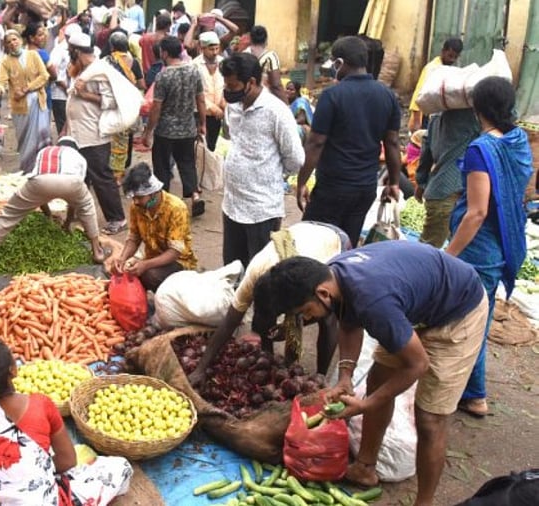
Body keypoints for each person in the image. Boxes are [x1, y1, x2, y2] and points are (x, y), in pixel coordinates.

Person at [254, 241, 488, 505]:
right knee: (378, 381)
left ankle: (424, 502)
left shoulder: (373, 300)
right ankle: (365, 468)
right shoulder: (334, 278)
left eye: (305, 312)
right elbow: (349, 324)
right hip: (415, 306)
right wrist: (345, 376)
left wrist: (366, 404)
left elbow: (418, 365)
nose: (307, 320)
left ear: (322, 293)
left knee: (429, 419)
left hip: (458, 313)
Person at [445, 77, 533, 418]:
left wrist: (448, 254)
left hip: (478, 249)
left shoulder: (482, 150)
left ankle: (474, 393)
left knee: (469, 321)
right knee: (479, 315)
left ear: (477, 108)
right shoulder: (518, 140)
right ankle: (469, 388)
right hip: (502, 242)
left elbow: (477, 212)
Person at [189, 221, 351, 387]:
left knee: (327, 317)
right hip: (301, 235)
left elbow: (314, 313)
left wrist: (290, 327)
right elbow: (230, 322)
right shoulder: (254, 275)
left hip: (332, 240)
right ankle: (268, 357)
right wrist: (201, 368)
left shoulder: (317, 276)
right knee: (266, 315)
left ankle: (321, 375)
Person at [0, 339, 133, 504]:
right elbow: (68, 461)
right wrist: (36, 470)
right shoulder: (40, 404)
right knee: (119, 466)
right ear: (14, 370)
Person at [295, 36, 402, 244]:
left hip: (333, 188)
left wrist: (301, 182)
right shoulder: (387, 96)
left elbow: (316, 142)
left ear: (340, 63)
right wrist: (395, 182)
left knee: (314, 244)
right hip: (365, 188)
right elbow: (392, 143)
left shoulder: (332, 95)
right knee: (346, 244)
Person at [0, 137, 110, 274]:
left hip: (40, 182)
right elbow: (75, 202)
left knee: (8, 216)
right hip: (72, 182)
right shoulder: (78, 157)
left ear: (58, 145)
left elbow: (41, 197)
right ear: (75, 148)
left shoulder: (45, 151)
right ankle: (97, 252)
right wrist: (67, 224)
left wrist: (48, 215)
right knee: (87, 207)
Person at [219, 53, 303, 268]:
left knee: (261, 271)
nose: (227, 90)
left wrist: (268, 173)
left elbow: (295, 159)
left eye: (232, 85)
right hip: (232, 205)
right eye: (225, 85)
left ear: (252, 82)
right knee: (233, 267)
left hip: (261, 209)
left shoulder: (277, 112)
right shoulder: (233, 106)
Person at [64, 32, 127, 235]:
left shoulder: (100, 71)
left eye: (70, 52)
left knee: (101, 177)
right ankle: (77, 214)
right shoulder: (83, 69)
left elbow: (111, 101)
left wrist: (85, 94)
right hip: (78, 133)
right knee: (80, 176)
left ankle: (117, 218)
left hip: (93, 133)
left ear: (76, 51)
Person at [142, 35, 206, 217]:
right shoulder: (194, 71)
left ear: (165, 52)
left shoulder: (164, 75)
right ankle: (194, 195)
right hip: (187, 128)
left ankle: (165, 204)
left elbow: (157, 107)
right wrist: (202, 124)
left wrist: (148, 131)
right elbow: (201, 99)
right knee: (187, 163)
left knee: (162, 166)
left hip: (166, 131)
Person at [114, 163, 197, 292]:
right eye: (134, 197)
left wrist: (145, 265)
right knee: (123, 271)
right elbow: (134, 237)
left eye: (140, 198)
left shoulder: (176, 208)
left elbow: (175, 252)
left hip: (180, 261)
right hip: (152, 257)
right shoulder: (136, 207)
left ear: (152, 193)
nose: (135, 201)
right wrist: (122, 258)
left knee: (150, 276)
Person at [415, 109, 480, 247]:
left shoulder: (436, 117)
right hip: (451, 192)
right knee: (430, 249)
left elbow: (426, 152)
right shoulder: (471, 121)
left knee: (429, 245)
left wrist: (421, 182)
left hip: (438, 189)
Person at [0, 30, 51, 174]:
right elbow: (1, 81)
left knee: (41, 135)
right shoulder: (5, 62)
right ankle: (28, 169)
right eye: (9, 42)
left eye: (14, 39)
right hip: (20, 107)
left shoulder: (33, 55)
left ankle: (43, 167)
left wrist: (26, 89)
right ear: (6, 45)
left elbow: (44, 76)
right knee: (24, 139)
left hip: (38, 102)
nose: (12, 43)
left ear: (20, 40)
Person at [105, 30, 144, 181]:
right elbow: (141, 83)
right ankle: (122, 170)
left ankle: (114, 172)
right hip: (129, 106)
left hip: (113, 105)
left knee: (113, 138)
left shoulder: (108, 61)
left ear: (112, 46)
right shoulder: (134, 61)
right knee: (127, 137)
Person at [408, 38, 463, 133]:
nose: (452, 60)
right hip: (426, 114)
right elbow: (419, 93)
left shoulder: (447, 69)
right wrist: (416, 119)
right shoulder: (432, 69)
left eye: (455, 57)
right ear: (443, 51)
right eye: (450, 56)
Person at [193, 31, 225, 152]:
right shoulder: (195, 65)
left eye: (217, 48)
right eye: (211, 49)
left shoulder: (222, 62)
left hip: (218, 114)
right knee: (199, 146)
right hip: (200, 114)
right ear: (202, 48)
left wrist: (223, 101)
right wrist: (211, 107)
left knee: (212, 146)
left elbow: (227, 85)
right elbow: (194, 92)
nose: (215, 52)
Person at [48, 23, 82, 133]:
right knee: (63, 126)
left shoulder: (79, 51)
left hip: (73, 94)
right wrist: (67, 88)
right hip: (60, 95)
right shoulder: (59, 50)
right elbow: (54, 73)